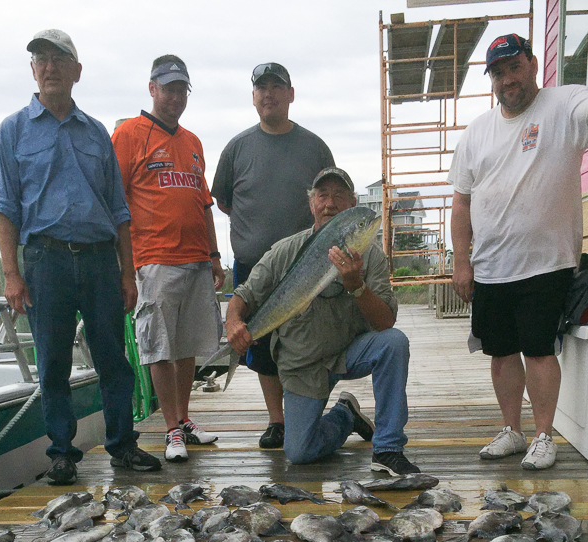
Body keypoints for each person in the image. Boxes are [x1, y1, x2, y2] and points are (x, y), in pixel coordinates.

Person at [449, 33, 588, 470]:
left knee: (539, 349)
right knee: (500, 352)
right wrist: (462, 261)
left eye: (515, 66)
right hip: (490, 265)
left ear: (531, 64)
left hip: (546, 262)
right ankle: (512, 429)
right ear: (492, 79)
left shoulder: (563, 105)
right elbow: (462, 202)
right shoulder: (476, 132)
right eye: (499, 72)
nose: (508, 78)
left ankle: (544, 436)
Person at [0, 29, 161, 485]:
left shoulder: (96, 132)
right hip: (46, 262)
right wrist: (12, 274)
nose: (49, 67)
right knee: (52, 363)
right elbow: (5, 208)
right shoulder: (12, 130)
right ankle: (62, 453)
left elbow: (119, 209)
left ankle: (122, 445)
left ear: (77, 72)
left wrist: (129, 273)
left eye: (59, 59)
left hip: (101, 261)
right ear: (32, 70)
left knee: (113, 358)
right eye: (41, 59)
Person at [225, 167, 419, 476]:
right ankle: (345, 416)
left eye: (339, 196)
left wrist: (357, 285)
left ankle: (388, 448)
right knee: (300, 452)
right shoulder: (284, 250)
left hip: (348, 353)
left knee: (394, 343)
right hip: (302, 364)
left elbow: (386, 323)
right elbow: (244, 294)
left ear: (351, 204)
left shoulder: (371, 256)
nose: (329, 203)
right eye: (322, 195)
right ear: (311, 203)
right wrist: (234, 321)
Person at [211, 62, 335, 450]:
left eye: (276, 87)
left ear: (290, 94)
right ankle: (277, 421)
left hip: (305, 263)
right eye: (261, 88)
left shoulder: (314, 146)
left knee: (302, 341)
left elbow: (331, 201)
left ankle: (308, 413)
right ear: (253, 97)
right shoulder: (236, 147)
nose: (269, 94)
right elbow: (224, 201)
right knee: (261, 347)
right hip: (253, 267)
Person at [112, 56, 223, 463]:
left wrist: (214, 255)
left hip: (196, 258)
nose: (175, 96)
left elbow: (205, 203)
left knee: (188, 343)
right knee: (159, 346)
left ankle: (185, 418)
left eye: (182, 90)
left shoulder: (192, 142)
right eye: (169, 88)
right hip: (154, 258)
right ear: (152, 88)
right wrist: (125, 265)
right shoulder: (128, 134)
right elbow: (115, 202)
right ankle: (170, 429)